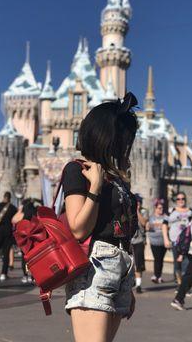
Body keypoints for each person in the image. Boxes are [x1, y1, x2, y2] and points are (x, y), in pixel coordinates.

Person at [63, 92, 138, 342]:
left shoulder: (115, 178)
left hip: (120, 268)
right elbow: (78, 229)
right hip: (94, 269)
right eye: (122, 140)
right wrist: (94, 187)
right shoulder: (78, 170)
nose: (125, 147)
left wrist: (126, 282)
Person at [162, 191, 192, 288]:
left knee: (186, 264)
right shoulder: (171, 210)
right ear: (176, 200)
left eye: (183, 198)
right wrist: (166, 239)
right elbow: (164, 224)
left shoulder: (190, 211)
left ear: (185, 200)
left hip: (187, 242)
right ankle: (180, 285)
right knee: (177, 264)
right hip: (175, 241)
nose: (181, 200)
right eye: (178, 199)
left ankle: (185, 285)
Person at [12, 198, 37, 284]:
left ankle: (25, 275)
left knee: (25, 258)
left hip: (25, 238)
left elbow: (14, 220)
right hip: (34, 238)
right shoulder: (35, 212)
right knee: (33, 258)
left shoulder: (23, 213)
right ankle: (33, 276)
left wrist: (19, 210)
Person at [131, 194, 148, 293]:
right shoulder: (128, 210)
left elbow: (144, 223)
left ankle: (138, 285)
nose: (138, 203)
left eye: (139, 201)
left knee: (139, 263)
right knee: (130, 262)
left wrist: (137, 211)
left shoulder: (144, 211)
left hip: (139, 240)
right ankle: (131, 281)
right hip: (130, 240)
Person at [148, 198, 167, 283]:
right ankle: (156, 275)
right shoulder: (151, 217)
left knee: (161, 259)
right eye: (159, 208)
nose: (161, 210)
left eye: (162, 208)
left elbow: (168, 226)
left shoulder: (165, 217)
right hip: (154, 241)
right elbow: (148, 226)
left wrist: (157, 225)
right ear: (155, 208)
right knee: (157, 258)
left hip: (163, 241)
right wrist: (160, 225)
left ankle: (158, 276)